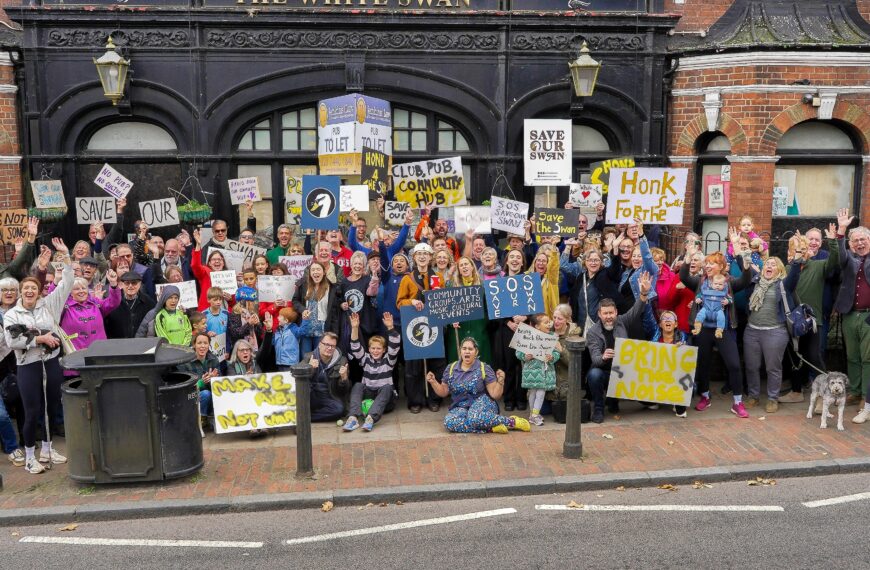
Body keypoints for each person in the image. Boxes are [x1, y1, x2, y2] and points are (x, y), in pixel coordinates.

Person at [3, 237, 73, 474]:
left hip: (50, 363)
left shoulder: (49, 305)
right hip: (28, 366)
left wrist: (66, 256)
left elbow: (68, 284)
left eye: (34, 287)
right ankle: (31, 456)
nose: (30, 291)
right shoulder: (13, 315)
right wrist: (40, 338)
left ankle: (47, 448)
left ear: (39, 290)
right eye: (26, 289)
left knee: (51, 407)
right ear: (21, 293)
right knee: (32, 411)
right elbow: (13, 340)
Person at [680, 229, 752, 416]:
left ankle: (737, 402)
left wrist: (737, 249)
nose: (707, 266)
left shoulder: (729, 283)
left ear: (721, 267)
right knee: (703, 365)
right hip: (702, 329)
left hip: (723, 329)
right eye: (707, 263)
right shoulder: (699, 282)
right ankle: (705, 396)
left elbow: (746, 278)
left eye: (711, 264)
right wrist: (689, 256)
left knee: (734, 364)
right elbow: (684, 277)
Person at [780, 226, 839, 403]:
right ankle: (796, 392)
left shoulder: (819, 266)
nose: (803, 252)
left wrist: (834, 242)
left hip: (813, 321)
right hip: (793, 322)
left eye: (805, 249)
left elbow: (834, 262)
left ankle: (825, 395)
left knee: (814, 356)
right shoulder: (790, 268)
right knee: (795, 357)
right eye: (800, 249)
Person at [585, 271, 652, 424]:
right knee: (594, 375)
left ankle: (614, 399)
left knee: (645, 391)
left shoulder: (622, 321)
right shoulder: (593, 332)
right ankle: (599, 408)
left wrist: (644, 292)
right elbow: (595, 359)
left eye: (611, 313)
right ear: (599, 315)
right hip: (604, 370)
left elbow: (637, 309)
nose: (608, 316)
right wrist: (603, 356)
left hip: (622, 371)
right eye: (605, 313)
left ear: (616, 312)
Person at [426, 337, 531, 434]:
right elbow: (443, 392)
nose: (467, 351)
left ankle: (511, 421)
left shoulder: (483, 368)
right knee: (449, 422)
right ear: (460, 351)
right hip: (461, 406)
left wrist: (500, 382)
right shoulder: (451, 368)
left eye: (470, 349)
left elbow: (495, 395)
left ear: (476, 352)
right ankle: (491, 428)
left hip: (483, 403)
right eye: (464, 348)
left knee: (474, 417)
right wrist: (433, 382)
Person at [742, 257, 799, 414]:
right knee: (751, 366)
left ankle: (773, 398)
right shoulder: (755, 282)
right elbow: (744, 270)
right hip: (752, 331)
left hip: (775, 332)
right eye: (767, 264)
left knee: (773, 368)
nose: (769, 266)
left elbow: (794, 276)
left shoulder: (783, 284)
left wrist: (797, 260)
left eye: (773, 265)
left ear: (779, 270)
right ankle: (753, 396)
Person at [830, 210, 870, 424]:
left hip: (868, 317)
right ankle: (854, 390)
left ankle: (866, 395)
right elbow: (841, 255)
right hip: (849, 314)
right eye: (856, 241)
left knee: (868, 358)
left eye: (863, 239)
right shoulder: (850, 259)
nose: (860, 243)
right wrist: (842, 231)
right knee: (852, 356)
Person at [397, 243, 446, 413]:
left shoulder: (438, 277)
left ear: (430, 257)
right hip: (414, 327)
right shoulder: (407, 279)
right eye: (419, 254)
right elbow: (399, 302)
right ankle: (415, 400)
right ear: (414, 257)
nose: (423, 257)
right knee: (414, 367)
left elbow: (444, 300)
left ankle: (434, 398)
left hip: (434, 327)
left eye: (426, 254)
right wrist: (412, 301)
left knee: (436, 364)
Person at [344, 312, 400, 432]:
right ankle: (353, 418)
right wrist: (354, 328)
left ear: (384, 350)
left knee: (387, 388)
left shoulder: (388, 361)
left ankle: (370, 419)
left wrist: (390, 327)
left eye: (378, 348)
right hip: (369, 396)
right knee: (358, 385)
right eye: (373, 348)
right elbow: (355, 346)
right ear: (369, 349)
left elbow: (395, 346)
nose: (375, 351)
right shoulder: (365, 359)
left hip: (386, 400)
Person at [59, 270, 122, 375]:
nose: (81, 291)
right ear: (70, 292)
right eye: (76, 289)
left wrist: (113, 284)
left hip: (99, 356)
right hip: (75, 358)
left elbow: (113, 302)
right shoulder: (65, 307)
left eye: (83, 288)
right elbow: (52, 300)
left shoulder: (95, 303)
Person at [445, 257, 491, 364]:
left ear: (472, 267)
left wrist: (483, 324)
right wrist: (451, 321)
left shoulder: (483, 285)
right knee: (458, 362)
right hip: (458, 330)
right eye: (461, 265)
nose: (464, 266)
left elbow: (488, 309)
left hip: (478, 329)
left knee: (479, 362)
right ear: (458, 270)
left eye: (466, 264)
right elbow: (446, 310)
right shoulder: (451, 286)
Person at [517, 314, 560, 426]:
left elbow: (556, 353)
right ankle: (534, 415)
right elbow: (518, 352)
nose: (549, 324)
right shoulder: (528, 336)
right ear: (536, 326)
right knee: (533, 392)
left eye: (549, 322)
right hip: (532, 371)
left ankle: (534, 415)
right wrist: (525, 356)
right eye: (545, 322)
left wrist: (552, 357)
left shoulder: (551, 336)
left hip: (545, 372)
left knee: (540, 392)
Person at [293, 261, 341, 355]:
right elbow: (295, 301)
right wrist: (303, 310)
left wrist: (335, 332)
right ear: (310, 273)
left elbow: (334, 313)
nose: (316, 272)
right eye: (313, 270)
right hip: (306, 328)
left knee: (320, 357)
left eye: (318, 269)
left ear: (323, 272)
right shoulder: (303, 285)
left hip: (322, 331)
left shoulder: (331, 288)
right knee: (306, 357)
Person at [177, 333, 222, 432]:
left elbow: (221, 384)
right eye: (199, 343)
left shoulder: (214, 359)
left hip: (210, 395)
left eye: (205, 343)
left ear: (209, 345)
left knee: (216, 393)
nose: (202, 346)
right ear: (194, 345)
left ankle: (213, 418)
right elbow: (183, 387)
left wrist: (213, 380)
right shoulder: (186, 361)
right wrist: (201, 383)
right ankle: (200, 420)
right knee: (206, 394)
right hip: (190, 398)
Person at [651, 310, 691, 417]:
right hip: (658, 377)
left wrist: (683, 348)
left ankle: (676, 402)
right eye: (664, 319)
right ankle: (653, 400)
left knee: (681, 410)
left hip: (674, 378)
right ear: (660, 324)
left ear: (676, 324)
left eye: (671, 319)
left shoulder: (683, 339)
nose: (668, 321)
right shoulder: (655, 339)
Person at [304, 333, 350, 422]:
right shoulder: (309, 357)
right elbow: (299, 382)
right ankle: (303, 416)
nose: (330, 348)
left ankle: (306, 418)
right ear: (320, 344)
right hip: (311, 395)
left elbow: (343, 391)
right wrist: (310, 370)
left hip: (329, 396)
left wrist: (344, 379)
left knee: (339, 409)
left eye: (333, 346)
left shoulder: (342, 361)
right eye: (327, 345)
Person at [105, 271, 156, 339]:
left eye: (134, 283)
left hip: (140, 343)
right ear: (122, 284)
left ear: (140, 284)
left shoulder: (148, 302)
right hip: (117, 343)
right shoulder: (113, 300)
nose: (130, 286)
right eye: (127, 283)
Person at [191, 229, 231, 311]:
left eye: (219, 259)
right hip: (206, 315)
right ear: (209, 263)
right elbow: (195, 265)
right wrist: (198, 245)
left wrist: (230, 299)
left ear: (223, 263)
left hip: (225, 315)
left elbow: (233, 302)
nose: (217, 261)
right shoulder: (204, 273)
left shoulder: (229, 277)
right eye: (214, 259)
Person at [551, 303, 582, 403]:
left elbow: (573, 364)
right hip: (549, 383)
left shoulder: (574, 335)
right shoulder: (547, 331)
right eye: (554, 317)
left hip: (566, 383)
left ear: (568, 319)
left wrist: (561, 350)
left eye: (560, 319)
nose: (556, 321)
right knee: (544, 411)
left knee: (563, 412)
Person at [692, 274, 731, 338]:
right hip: (706, 309)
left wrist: (727, 301)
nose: (717, 286)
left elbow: (730, 299)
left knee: (721, 318)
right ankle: (697, 327)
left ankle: (719, 331)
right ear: (712, 284)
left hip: (718, 310)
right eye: (715, 284)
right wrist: (698, 299)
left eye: (720, 284)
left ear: (724, 285)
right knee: (700, 315)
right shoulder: (707, 291)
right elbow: (700, 295)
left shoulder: (724, 294)